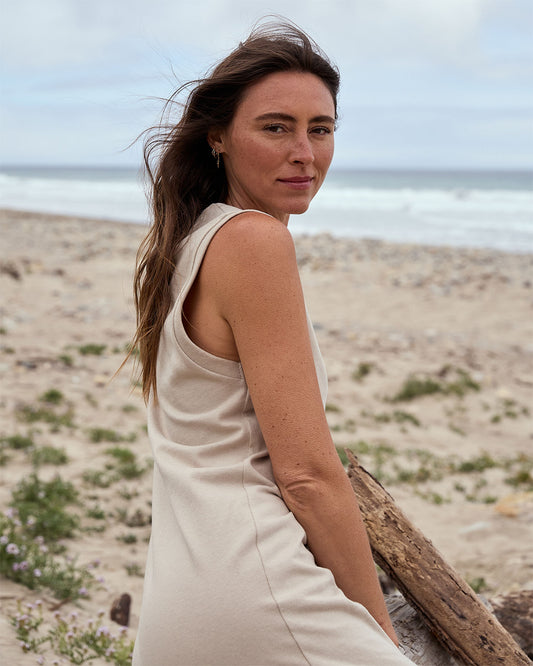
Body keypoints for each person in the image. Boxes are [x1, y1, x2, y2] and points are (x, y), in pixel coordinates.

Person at [131, 20, 412, 666]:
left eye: (321, 129)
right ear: (218, 137)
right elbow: (308, 477)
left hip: (184, 600)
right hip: (259, 594)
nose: (304, 153)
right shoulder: (255, 243)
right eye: (276, 127)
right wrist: (376, 630)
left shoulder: (191, 242)